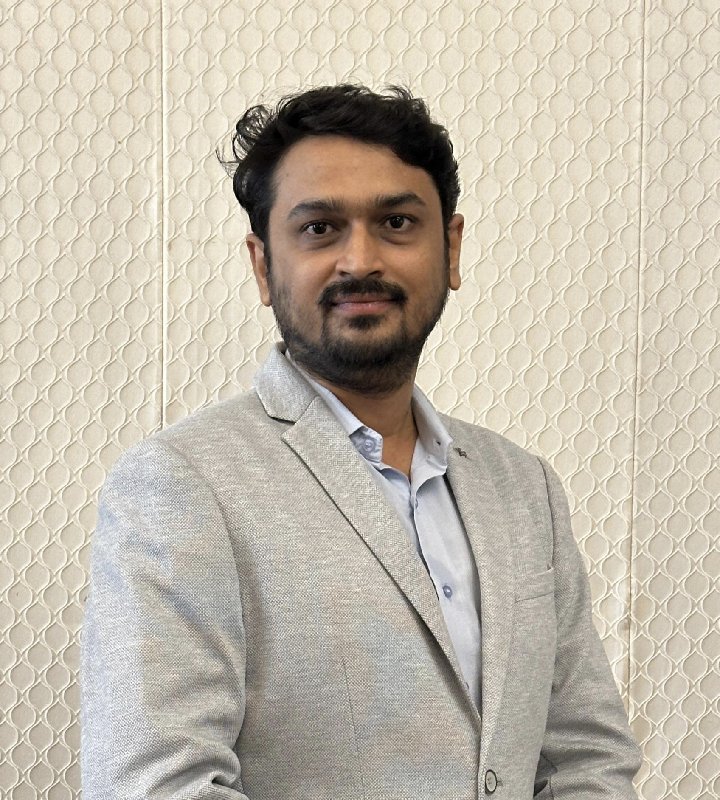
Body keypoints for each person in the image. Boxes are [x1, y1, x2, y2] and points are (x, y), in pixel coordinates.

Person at [81, 85, 641, 800]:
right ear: (263, 265)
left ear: (451, 248)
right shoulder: (180, 486)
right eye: (319, 229)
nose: (360, 260)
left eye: (397, 222)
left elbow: (587, 758)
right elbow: (154, 786)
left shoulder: (524, 487)